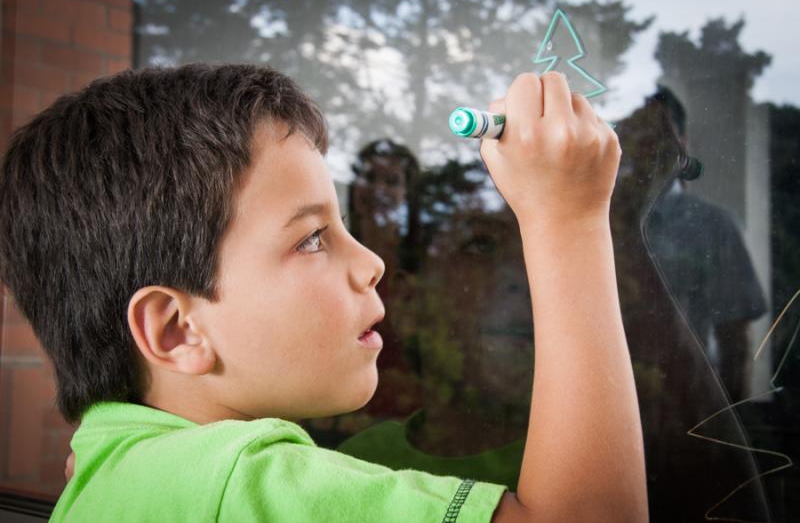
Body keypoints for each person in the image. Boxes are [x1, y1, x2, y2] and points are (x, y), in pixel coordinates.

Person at [1, 64, 646, 521]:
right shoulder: (252, 485)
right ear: (177, 331)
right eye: (312, 238)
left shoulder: (106, 464)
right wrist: (569, 219)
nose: (371, 263)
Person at [644, 85, 768, 403]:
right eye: (637, 133)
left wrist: (725, 431)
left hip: (688, 406)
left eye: (658, 134)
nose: (646, 146)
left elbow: (735, 341)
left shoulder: (713, 226)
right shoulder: (600, 222)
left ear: (682, 145)